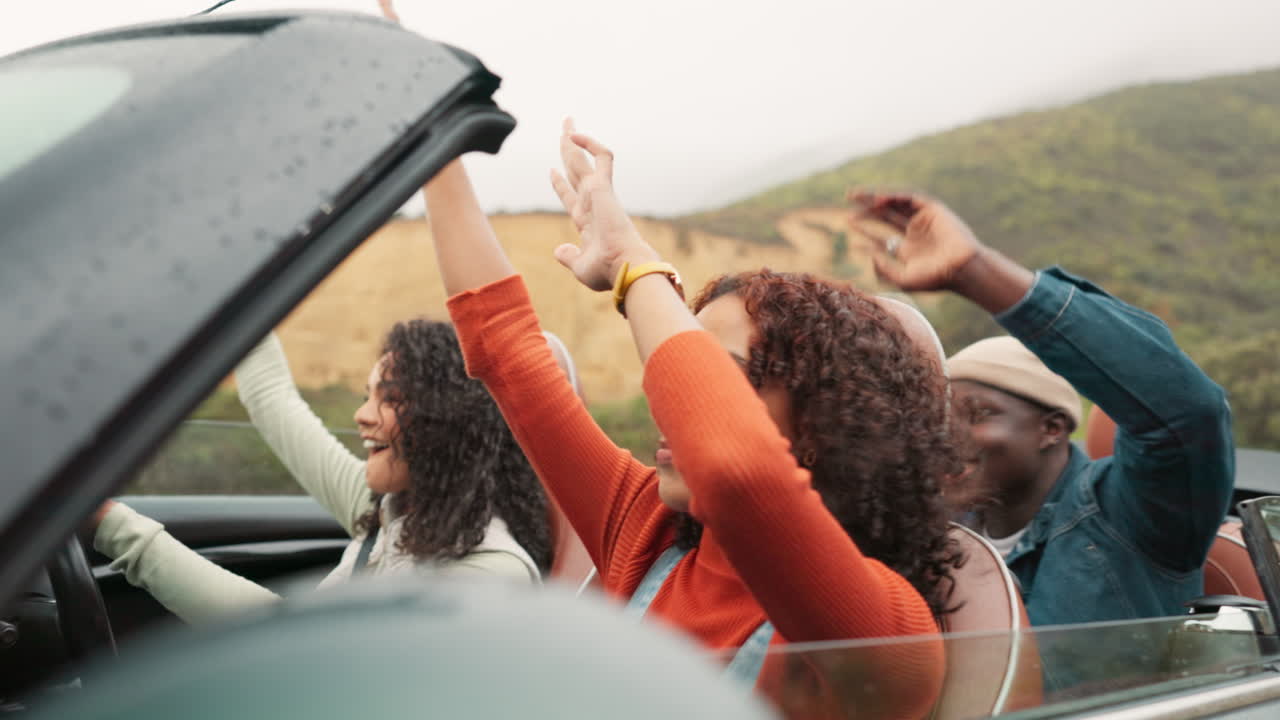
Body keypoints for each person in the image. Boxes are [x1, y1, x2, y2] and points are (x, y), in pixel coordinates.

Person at [422, 123, 955, 711]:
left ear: (825, 429)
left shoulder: (885, 630)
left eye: (720, 376)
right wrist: (429, 141)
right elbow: (504, 346)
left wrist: (633, 264)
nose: (669, 398)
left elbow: (736, 472)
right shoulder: (644, 528)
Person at [851, 190, 1234, 626]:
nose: (943, 437)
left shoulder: (1134, 514)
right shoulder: (937, 529)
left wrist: (976, 272)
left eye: (977, 414)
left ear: (1051, 429)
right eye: (941, 418)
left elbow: (1187, 412)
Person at [91, 321, 553, 624]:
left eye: (389, 398)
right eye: (366, 394)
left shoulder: (490, 575)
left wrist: (112, 525)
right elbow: (272, 399)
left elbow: (296, 647)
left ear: (448, 421)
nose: (361, 414)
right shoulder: (389, 509)